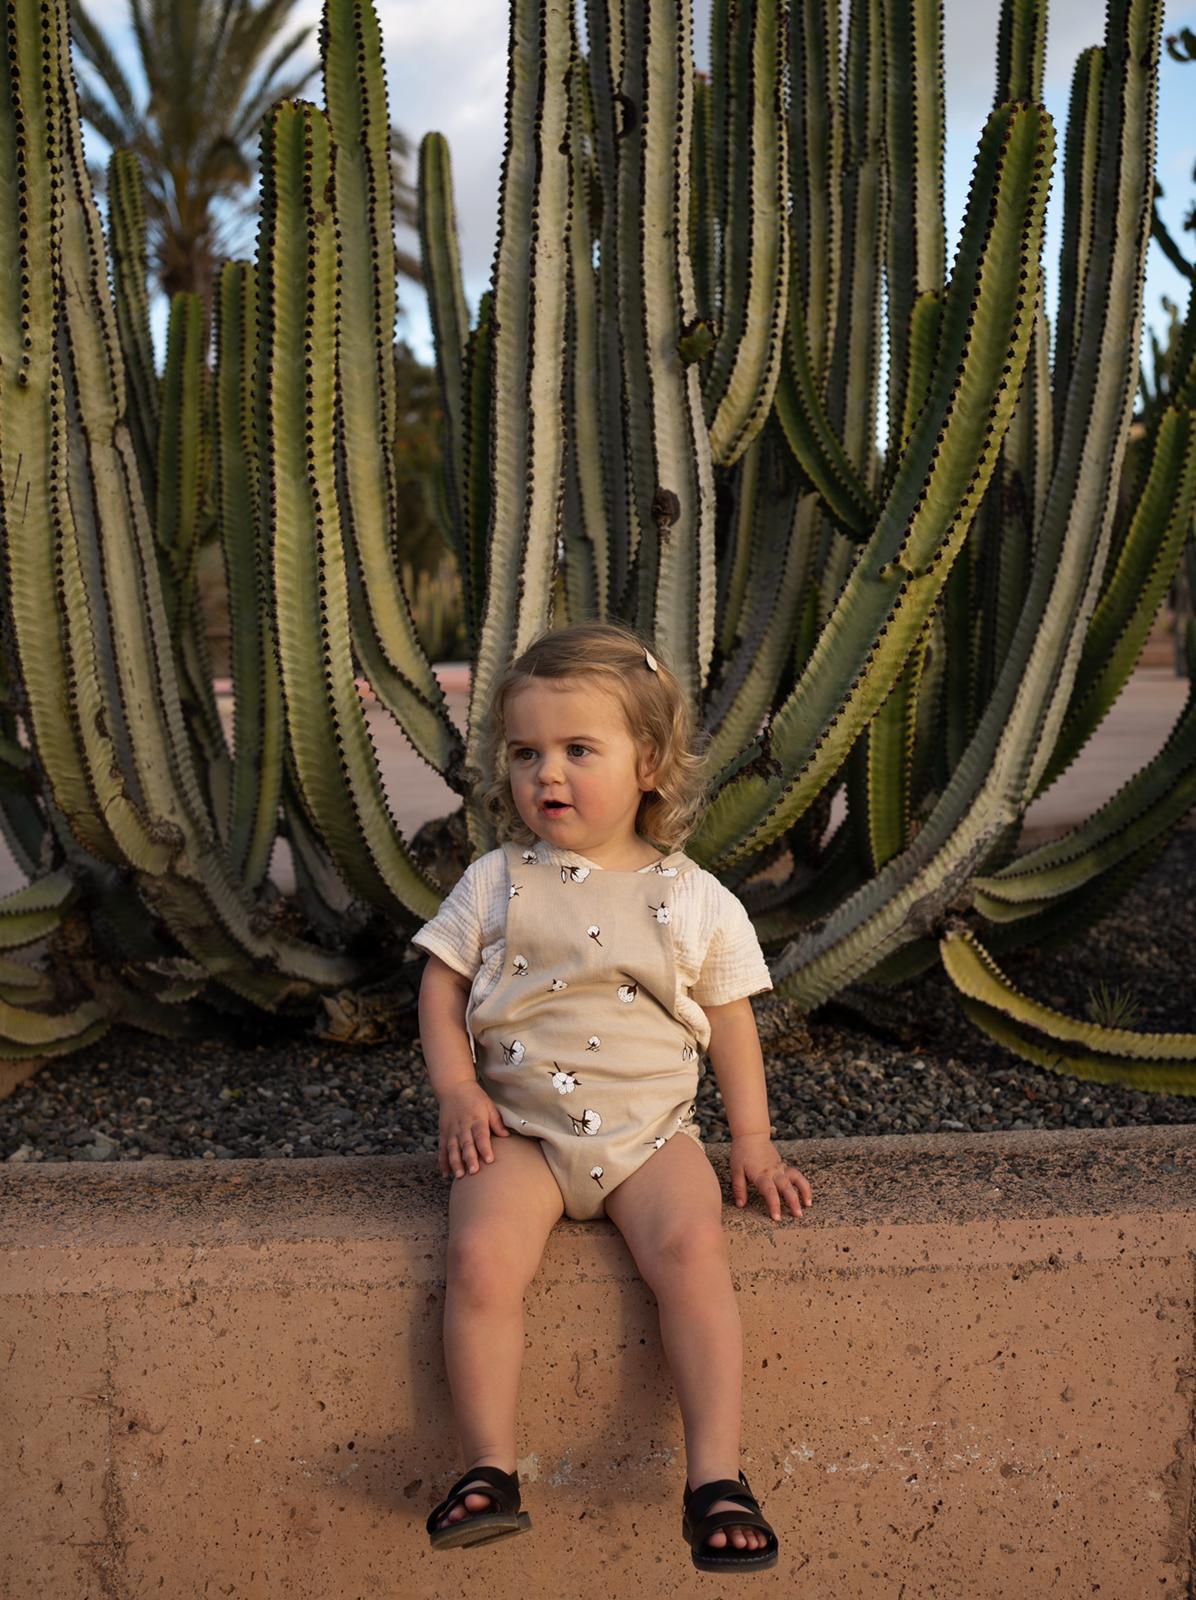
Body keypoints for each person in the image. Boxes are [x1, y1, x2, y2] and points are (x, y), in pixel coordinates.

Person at [414, 619, 813, 1573]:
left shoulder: (693, 895)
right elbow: (440, 984)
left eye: (577, 750)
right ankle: (487, 1467)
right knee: (478, 1257)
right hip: (519, 1131)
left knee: (692, 1249)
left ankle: (716, 1474)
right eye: (525, 753)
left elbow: (728, 1018)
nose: (545, 775)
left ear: (650, 763)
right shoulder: (496, 881)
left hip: (649, 1135)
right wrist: (458, 1090)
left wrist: (750, 1139)